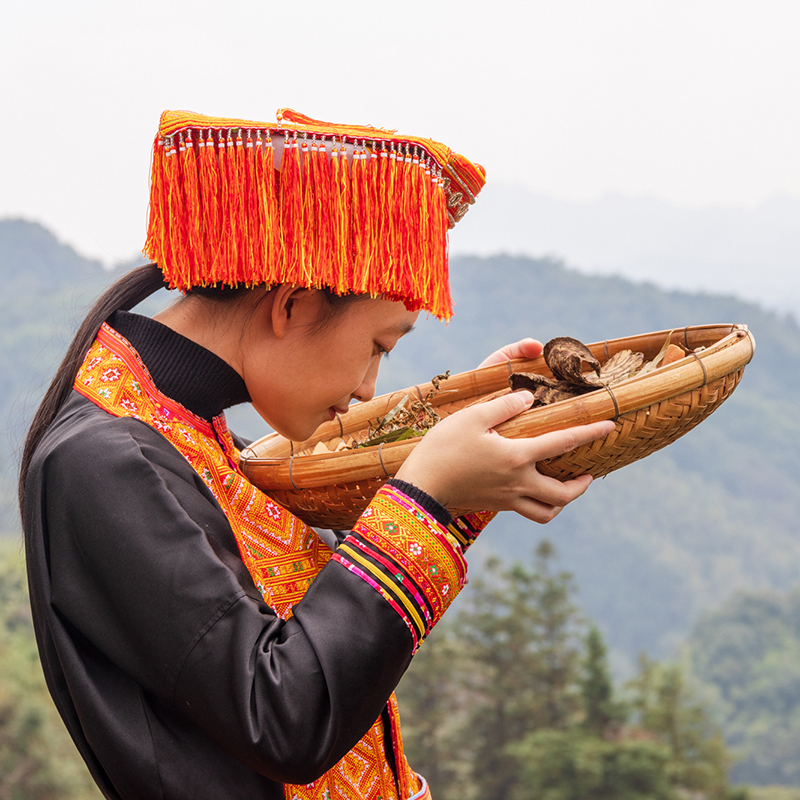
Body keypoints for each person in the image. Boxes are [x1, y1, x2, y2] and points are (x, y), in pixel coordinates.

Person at [19, 108, 613, 800]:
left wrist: (459, 469)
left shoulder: (193, 440)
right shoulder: (106, 461)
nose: (369, 387)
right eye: (379, 346)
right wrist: (429, 498)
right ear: (293, 306)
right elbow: (285, 717)